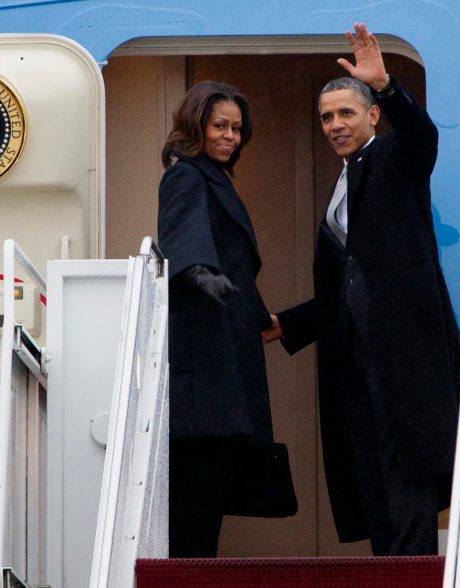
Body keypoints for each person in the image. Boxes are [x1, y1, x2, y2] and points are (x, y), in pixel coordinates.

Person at [263, 24, 460, 556]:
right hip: (353, 358)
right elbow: (350, 273)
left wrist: (387, 85)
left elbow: (424, 138)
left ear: (372, 116)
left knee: (405, 474)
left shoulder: (396, 160)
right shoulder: (342, 182)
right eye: (327, 117)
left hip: (400, 356)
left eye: (346, 113)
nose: (335, 125)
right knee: (370, 474)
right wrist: (292, 324)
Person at [158, 80, 284, 558]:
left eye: (236, 128)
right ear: (196, 126)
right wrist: (199, 273)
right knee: (196, 501)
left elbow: (233, 266)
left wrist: (258, 314)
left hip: (225, 355)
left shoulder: (214, 178)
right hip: (204, 369)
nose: (230, 136)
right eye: (219, 126)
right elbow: (181, 240)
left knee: (207, 496)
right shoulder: (186, 174)